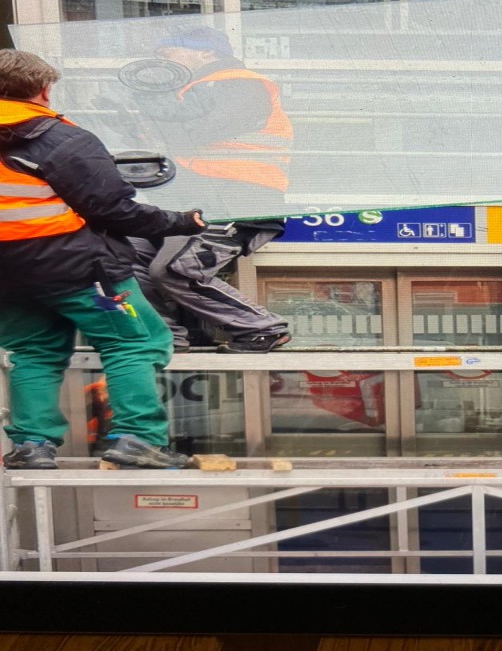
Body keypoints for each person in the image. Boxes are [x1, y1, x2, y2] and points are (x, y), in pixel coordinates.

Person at [0, 49, 207, 469]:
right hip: (81, 275)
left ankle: (31, 446)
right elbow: (114, 210)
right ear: (43, 90)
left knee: (34, 351)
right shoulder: (60, 139)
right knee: (135, 341)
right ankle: (138, 440)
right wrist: (182, 221)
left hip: (9, 279)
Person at [128, 27, 291, 353]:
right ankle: (167, 336)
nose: (162, 58)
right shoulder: (190, 92)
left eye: (170, 50)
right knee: (123, 256)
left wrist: (156, 112)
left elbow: (200, 132)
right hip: (195, 203)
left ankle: (262, 328)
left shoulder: (240, 84)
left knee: (175, 271)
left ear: (207, 53)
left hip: (238, 200)